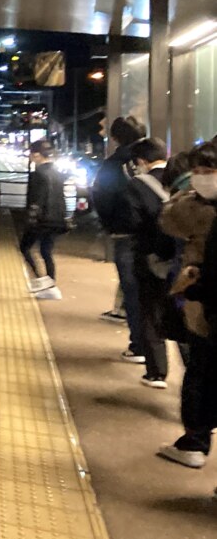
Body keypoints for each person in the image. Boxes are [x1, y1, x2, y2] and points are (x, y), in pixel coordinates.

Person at [158, 143, 217, 468]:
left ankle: (194, 441)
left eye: (208, 172)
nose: (202, 179)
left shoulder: (197, 209)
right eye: (197, 172)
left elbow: (170, 219)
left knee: (199, 372)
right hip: (203, 300)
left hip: (204, 299)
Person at [91, 115, 147, 355]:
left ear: (115, 138)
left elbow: (101, 197)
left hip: (124, 234)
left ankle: (139, 346)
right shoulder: (151, 158)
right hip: (154, 234)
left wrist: (111, 226)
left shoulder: (113, 164)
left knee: (132, 291)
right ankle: (153, 349)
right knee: (148, 293)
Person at [122, 137, 175, 387]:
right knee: (181, 311)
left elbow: (131, 222)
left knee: (150, 311)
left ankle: (157, 372)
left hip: (149, 256)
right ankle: (190, 365)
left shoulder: (137, 185)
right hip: (179, 259)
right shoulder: (180, 176)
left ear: (141, 161)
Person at [20, 139, 68, 300]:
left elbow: (36, 200)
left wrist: (30, 220)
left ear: (36, 155)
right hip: (57, 220)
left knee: (24, 247)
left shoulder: (38, 174)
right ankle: (51, 286)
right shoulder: (58, 173)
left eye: (32, 154)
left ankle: (42, 281)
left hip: (42, 221)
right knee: (46, 251)